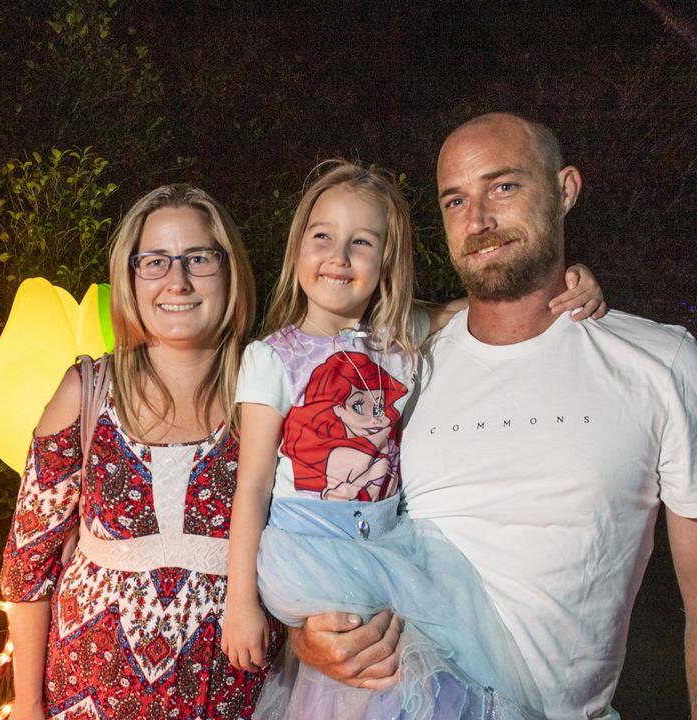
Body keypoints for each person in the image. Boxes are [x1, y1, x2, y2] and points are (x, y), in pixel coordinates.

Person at [290, 113, 697, 720]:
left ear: (565, 190)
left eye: (503, 187)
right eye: (456, 200)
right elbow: (327, 525)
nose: (477, 220)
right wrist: (309, 636)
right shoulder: (398, 372)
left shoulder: (659, 364)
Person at [222, 161, 604, 719]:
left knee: (405, 672)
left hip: (384, 543)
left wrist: (573, 281)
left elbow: (486, 305)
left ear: (386, 261)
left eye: (362, 242)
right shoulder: (272, 358)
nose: (339, 256)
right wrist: (240, 603)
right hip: (309, 547)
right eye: (322, 236)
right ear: (298, 247)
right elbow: (252, 486)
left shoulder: (399, 341)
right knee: (378, 668)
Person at [0, 184, 276, 719]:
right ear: (129, 278)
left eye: (198, 258)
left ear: (229, 269)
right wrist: (28, 707)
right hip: (89, 699)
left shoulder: (268, 394)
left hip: (237, 698)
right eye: (154, 261)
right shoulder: (86, 392)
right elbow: (27, 567)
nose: (178, 280)